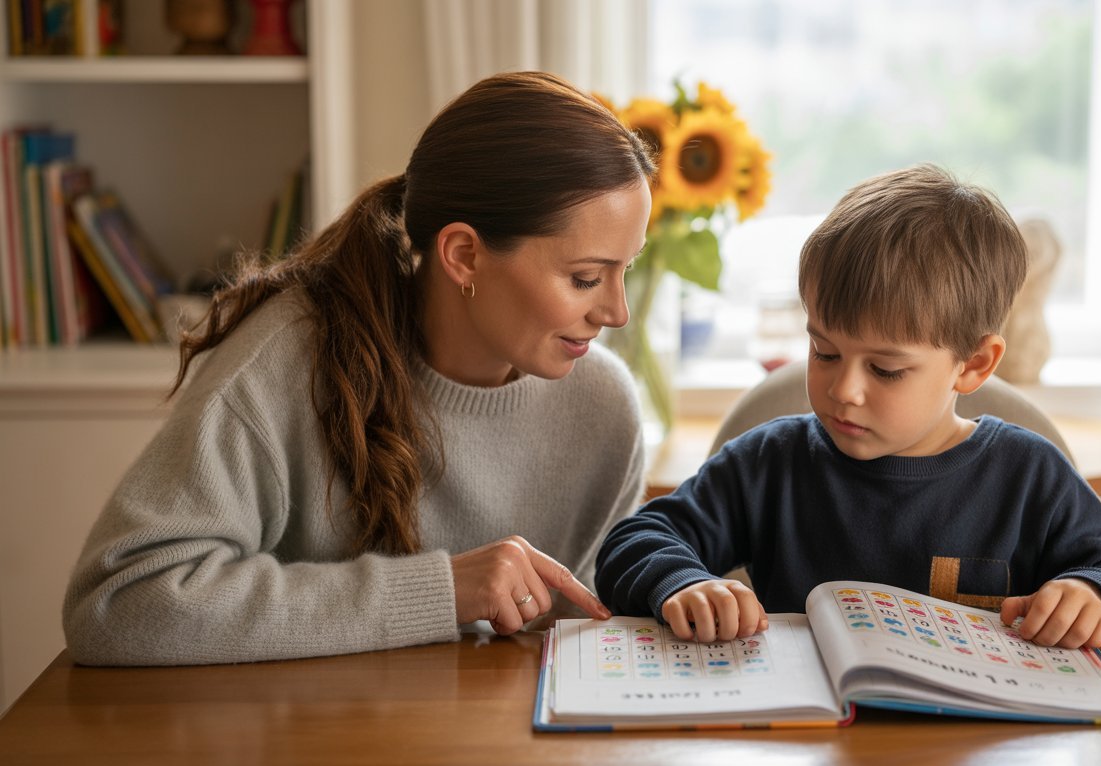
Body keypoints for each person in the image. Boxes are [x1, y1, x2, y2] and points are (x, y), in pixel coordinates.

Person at [63, 71, 656, 665]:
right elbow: (118, 605)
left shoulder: (604, 409)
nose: (617, 312)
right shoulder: (285, 365)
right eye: (585, 278)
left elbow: (581, 650)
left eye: (624, 269)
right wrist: (441, 592)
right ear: (464, 255)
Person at [595, 164, 1101, 648]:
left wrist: (1091, 593)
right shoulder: (769, 464)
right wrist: (683, 582)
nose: (845, 389)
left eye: (886, 369)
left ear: (974, 365)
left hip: (970, 756)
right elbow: (630, 543)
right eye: (825, 351)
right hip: (813, 745)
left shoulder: (1030, 477)